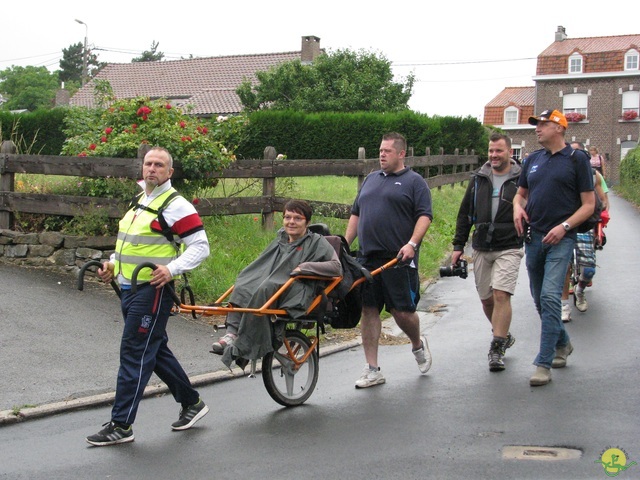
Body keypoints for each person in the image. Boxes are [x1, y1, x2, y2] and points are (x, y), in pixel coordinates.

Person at [86, 146, 210, 446]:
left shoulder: (177, 205)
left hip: (152, 290)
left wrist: (171, 269)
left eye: (159, 165)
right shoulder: (140, 199)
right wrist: (113, 265)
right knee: (152, 350)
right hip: (128, 287)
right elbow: (128, 244)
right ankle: (192, 403)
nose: (152, 168)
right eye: (148, 163)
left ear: (170, 172)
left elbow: (201, 246)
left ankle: (121, 424)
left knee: (134, 351)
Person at [345, 132, 433, 388]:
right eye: (380, 150)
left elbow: (424, 216)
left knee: (401, 313)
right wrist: (343, 245)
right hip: (367, 259)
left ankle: (417, 344)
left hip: (398, 259)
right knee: (369, 310)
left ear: (401, 153)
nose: (381, 154)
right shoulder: (371, 179)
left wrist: (412, 244)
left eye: (387, 151)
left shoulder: (415, 182)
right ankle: (372, 369)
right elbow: (356, 214)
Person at [513, 110, 595, 386]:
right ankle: (563, 343)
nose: (537, 129)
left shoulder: (576, 159)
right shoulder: (532, 160)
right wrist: (516, 208)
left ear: (559, 128)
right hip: (534, 237)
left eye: (543, 124)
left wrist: (565, 228)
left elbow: (588, 205)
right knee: (539, 299)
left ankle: (543, 363)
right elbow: (521, 195)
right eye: (536, 124)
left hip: (562, 238)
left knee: (550, 296)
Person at [210, 199, 342, 367]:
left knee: (265, 287)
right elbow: (263, 264)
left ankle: (242, 344)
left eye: (297, 218)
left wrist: (306, 267)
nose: (291, 222)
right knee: (245, 282)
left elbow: (336, 267)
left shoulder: (316, 241)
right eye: (288, 217)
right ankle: (231, 333)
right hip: (274, 282)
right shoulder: (281, 239)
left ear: (307, 222)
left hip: (297, 288)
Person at [451, 133, 524, 372]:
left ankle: (497, 347)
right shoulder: (479, 178)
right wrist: (458, 246)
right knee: (486, 299)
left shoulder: (521, 179)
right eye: (491, 151)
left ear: (509, 152)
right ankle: (503, 333)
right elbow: (464, 214)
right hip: (482, 245)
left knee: (502, 294)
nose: (493, 155)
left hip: (509, 245)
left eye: (498, 151)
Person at [559, 141, 610, 321]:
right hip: (563, 225)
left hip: (585, 226)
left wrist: (599, 224)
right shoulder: (559, 173)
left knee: (588, 270)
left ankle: (579, 291)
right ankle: (564, 306)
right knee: (564, 267)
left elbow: (603, 201)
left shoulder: (593, 175)